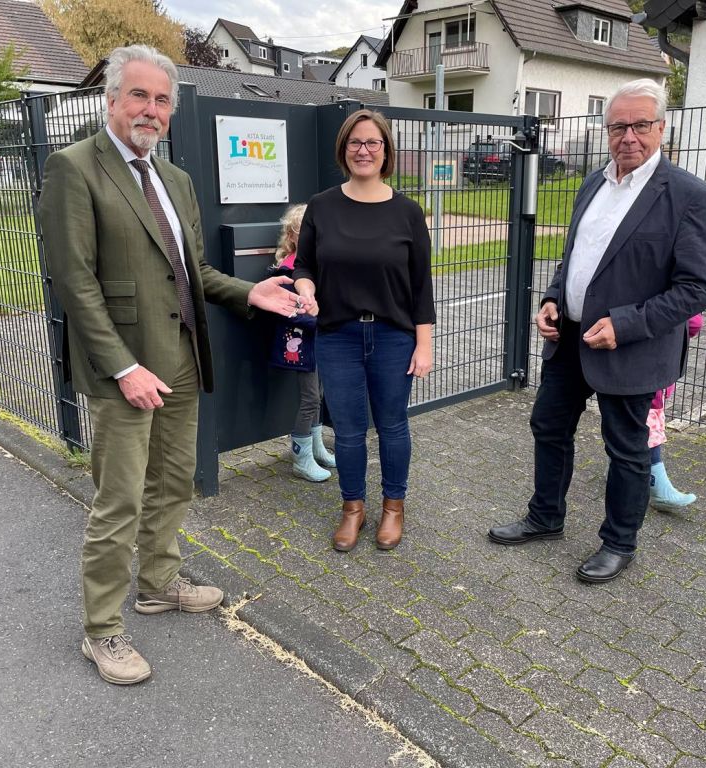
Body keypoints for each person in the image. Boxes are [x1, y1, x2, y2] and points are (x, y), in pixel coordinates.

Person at [38, 44, 307, 685]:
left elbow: (195, 272)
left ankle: (158, 583)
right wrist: (123, 367)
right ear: (111, 99)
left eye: (161, 100)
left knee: (174, 481)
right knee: (119, 501)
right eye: (138, 95)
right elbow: (74, 283)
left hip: (182, 359)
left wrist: (254, 293)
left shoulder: (176, 179)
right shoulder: (75, 168)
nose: (150, 110)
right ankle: (101, 630)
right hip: (123, 371)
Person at [487, 79, 706, 584]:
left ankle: (619, 543)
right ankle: (545, 517)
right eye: (618, 126)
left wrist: (627, 323)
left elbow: (698, 286)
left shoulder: (688, 196)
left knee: (627, 448)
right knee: (548, 426)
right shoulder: (593, 183)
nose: (629, 136)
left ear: (661, 128)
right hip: (569, 338)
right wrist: (552, 298)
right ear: (607, 130)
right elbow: (576, 259)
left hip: (630, 346)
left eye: (641, 124)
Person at [293, 108, 435, 553]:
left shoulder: (408, 213)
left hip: (394, 338)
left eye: (373, 142)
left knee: (393, 426)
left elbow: (420, 285)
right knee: (349, 431)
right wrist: (306, 288)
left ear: (386, 150)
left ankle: (394, 506)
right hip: (338, 336)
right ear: (344, 149)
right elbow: (304, 264)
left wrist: (424, 344)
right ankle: (352, 508)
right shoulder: (321, 206)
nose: (364, 150)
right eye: (355, 142)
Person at [267, 204, 336, 482]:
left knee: (318, 395)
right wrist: (325, 318)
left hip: (318, 342)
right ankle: (301, 456)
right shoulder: (286, 271)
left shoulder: (316, 265)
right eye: (305, 232)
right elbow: (289, 312)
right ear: (293, 236)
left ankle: (316, 448)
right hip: (302, 344)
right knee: (309, 398)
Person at [649, 313, 703, 512]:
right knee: (649, 424)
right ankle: (657, 487)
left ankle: (616, 467)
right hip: (653, 367)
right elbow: (694, 322)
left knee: (626, 420)